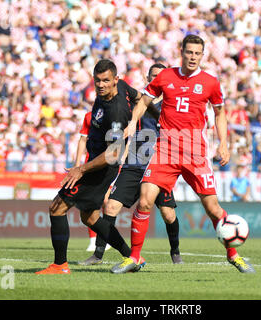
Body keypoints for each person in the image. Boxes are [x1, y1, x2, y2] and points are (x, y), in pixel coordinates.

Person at [112, 34, 255, 274]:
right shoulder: (165, 76)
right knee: (145, 199)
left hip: (195, 152)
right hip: (165, 149)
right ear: (182, 51)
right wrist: (132, 122)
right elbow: (144, 101)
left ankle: (234, 255)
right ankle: (134, 257)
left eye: (197, 53)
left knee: (213, 208)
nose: (193, 57)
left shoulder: (210, 82)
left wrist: (223, 144)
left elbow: (220, 114)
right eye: (189, 52)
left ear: (202, 55)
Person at [35, 59, 141, 274]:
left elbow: (113, 154)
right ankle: (132, 258)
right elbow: (141, 98)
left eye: (106, 81)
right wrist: (150, 114)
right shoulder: (118, 88)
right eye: (98, 80)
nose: (101, 85)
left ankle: (59, 265)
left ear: (115, 80)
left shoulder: (116, 112)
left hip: (100, 166)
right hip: (95, 163)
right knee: (90, 217)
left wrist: (81, 169)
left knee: (57, 208)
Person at [80, 63, 184, 267]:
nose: (156, 79)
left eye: (160, 76)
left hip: (158, 166)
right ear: (147, 78)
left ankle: (175, 252)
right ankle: (98, 254)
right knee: (110, 206)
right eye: (153, 76)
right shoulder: (139, 104)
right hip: (133, 165)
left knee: (168, 213)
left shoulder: (172, 105)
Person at [71, 111, 110, 252]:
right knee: (90, 201)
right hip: (91, 164)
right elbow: (82, 139)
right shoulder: (89, 115)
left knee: (106, 201)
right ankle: (94, 240)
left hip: (110, 163)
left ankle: (106, 238)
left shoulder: (117, 112)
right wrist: (77, 164)